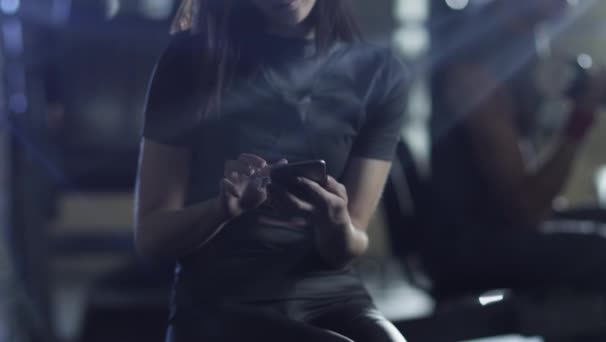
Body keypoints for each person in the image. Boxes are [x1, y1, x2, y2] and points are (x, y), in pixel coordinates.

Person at [134, 0, 409, 341]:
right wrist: (223, 209)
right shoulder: (190, 60)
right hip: (222, 299)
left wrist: (335, 221)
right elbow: (151, 235)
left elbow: (345, 248)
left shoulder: (379, 73)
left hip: (332, 293)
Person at [420, 0, 606, 297]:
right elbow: (527, 210)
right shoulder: (474, 70)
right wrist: (582, 117)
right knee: (602, 252)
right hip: (470, 248)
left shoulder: (522, 53)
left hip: (500, 226)